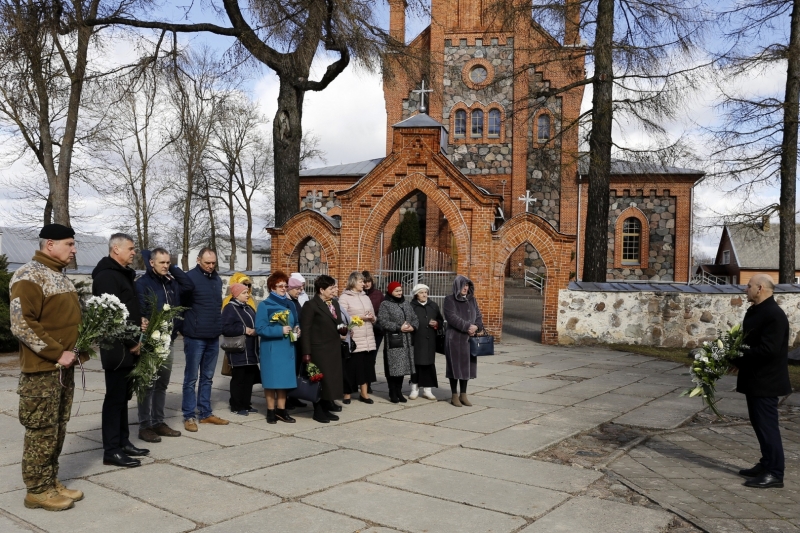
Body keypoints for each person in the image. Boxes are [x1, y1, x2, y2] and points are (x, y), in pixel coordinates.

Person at [10, 223, 88, 511]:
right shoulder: (28, 275)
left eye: (74, 243)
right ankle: (36, 490)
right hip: (42, 370)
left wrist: (78, 350)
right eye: (69, 244)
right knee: (41, 431)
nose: (74, 249)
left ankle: (50, 481)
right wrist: (57, 352)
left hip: (61, 368)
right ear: (50, 244)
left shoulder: (60, 277)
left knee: (57, 428)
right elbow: (21, 324)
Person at [92, 233, 149, 468]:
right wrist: (131, 341)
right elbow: (111, 318)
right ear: (116, 249)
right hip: (117, 349)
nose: (134, 252)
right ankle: (111, 450)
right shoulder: (106, 277)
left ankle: (123, 442)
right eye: (131, 248)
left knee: (123, 398)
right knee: (114, 400)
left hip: (129, 346)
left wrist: (140, 321)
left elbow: (126, 309)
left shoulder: (123, 275)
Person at [732, 274, 791, 489]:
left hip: (767, 381)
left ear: (760, 288)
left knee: (768, 427)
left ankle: (775, 473)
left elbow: (769, 350)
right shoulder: (756, 310)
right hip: (754, 378)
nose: (745, 289)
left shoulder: (774, 315)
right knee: (759, 425)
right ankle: (766, 463)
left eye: (748, 286)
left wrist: (738, 357)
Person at [135, 248, 194, 443]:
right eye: (162, 262)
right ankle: (145, 425)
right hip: (151, 341)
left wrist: (174, 269)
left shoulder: (170, 282)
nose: (166, 266)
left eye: (168, 262)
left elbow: (188, 286)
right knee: (147, 384)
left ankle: (158, 421)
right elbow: (142, 310)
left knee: (161, 384)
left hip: (167, 340)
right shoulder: (143, 284)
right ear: (151, 263)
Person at [182, 248, 229, 431]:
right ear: (198, 260)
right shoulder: (190, 278)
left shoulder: (216, 279)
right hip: (195, 336)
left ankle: (205, 413)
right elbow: (181, 305)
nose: (210, 266)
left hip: (212, 336)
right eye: (207, 263)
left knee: (208, 377)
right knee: (191, 378)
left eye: (213, 263)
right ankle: (188, 416)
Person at [299, 275, 345, 423]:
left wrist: (343, 329)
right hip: (318, 350)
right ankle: (318, 411)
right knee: (319, 381)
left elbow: (337, 322)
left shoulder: (334, 304)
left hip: (333, 349)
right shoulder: (311, 305)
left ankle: (326, 408)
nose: (335, 290)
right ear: (321, 290)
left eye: (334, 287)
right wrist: (306, 353)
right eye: (331, 288)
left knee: (330, 381)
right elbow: (305, 330)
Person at [256, 271, 299, 424]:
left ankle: (282, 410)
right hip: (272, 349)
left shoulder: (290, 304)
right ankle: (270, 411)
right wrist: (279, 330)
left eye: (285, 285)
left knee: (284, 381)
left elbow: (295, 322)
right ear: (272, 287)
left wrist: (297, 329)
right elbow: (260, 328)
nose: (283, 288)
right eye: (279, 286)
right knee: (271, 381)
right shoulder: (265, 305)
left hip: (287, 348)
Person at [443, 275, 484, 407]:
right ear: (457, 286)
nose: (465, 288)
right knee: (454, 366)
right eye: (463, 285)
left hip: (469, 339)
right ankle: (454, 395)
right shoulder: (449, 300)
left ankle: (463, 394)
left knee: (467, 367)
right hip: (454, 338)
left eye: (467, 285)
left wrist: (477, 326)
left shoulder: (472, 300)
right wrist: (467, 327)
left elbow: (478, 315)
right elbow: (451, 317)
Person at [338, 272, 377, 404]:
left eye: (364, 281)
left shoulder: (366, 297)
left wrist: (372, 318)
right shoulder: (344, 297)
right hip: (354, 337)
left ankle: (364, 394)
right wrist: (360, 318)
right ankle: (347, 394)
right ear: (353, 282)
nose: (364, 284)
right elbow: (342, 317)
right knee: (351, 368)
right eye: (361, 281)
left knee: (366, 367)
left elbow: (373, 315)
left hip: (368, 337)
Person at [222, 283, 261, 416]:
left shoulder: (248, 307)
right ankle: (236, 405)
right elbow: (225, 328)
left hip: (251, 349)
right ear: (236, 295)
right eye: (244, 293)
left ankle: (246, 403)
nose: (247, 295)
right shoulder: (230, 308)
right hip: (238, 349)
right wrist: (244, 330)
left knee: (249, 378)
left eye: (247, 292)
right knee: (239, 378)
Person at [378, 282, 418, 403]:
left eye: (400, 290)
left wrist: (413, 327)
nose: (399, 293)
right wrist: (398, 327)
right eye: (396, 291)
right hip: (394, 340)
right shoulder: (385, 304)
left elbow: (415, 318)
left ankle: (399, 391)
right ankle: (392, 392)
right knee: (393, 368)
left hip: (407, 341)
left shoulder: (406, 303)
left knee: (402, 368)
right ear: (390, 292)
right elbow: (383, 321)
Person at [410, 284, 442, 400]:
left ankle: (427, 390)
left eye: (426, 292)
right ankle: (414, 389)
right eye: (421, 292)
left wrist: (437, 323)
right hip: (417, 340)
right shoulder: (411, 306)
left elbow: (441, 320)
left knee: (429, 365)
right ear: (416, 294)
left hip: (430, 341)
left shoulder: (433, 305)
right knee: (416, 365)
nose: (424, 295)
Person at [286, 276, 307, 409]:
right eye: (297, 289)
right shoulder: (287, 301)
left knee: (297, 369)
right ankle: (287, 397)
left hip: (298, 338)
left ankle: (294, 396)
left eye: (300, 289)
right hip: (290, 339)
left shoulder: (296, 300)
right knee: (291, 370)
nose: (300, 291)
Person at [362, 271, 384, 393]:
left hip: (376, 329)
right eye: (364, 282)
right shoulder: (358, 295)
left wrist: (375, 320)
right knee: (360, 358)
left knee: (372, 358)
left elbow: (383, 311)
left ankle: (368, 383)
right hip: (361, 329)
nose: (366, 284)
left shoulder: (378, 294)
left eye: (368, 281)